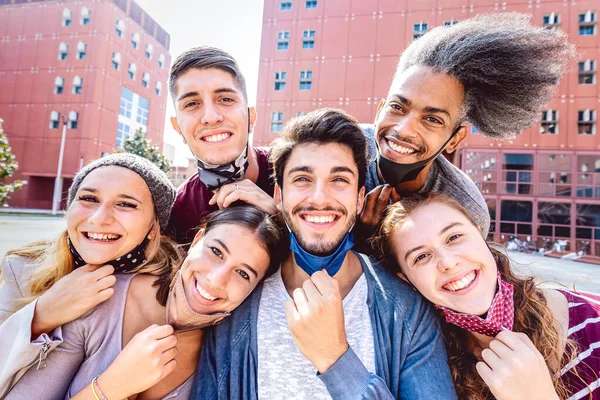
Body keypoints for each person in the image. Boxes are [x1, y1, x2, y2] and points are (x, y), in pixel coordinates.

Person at [195, 108, 457, 399]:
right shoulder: (235, 306)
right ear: (279, 196)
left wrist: (335, 359)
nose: (319, 198)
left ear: (359, 199)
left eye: (339, 180)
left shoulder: (407, 311)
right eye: (302, 179)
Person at [5, 205, 284, 399]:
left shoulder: (228, 356)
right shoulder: (104, 300)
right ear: (198, 238)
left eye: (243, 273)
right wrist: (110, 389)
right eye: (215, 251)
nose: (216, 279)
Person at [359, 13, 574, 239]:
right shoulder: (339, 146)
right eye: (397, 107)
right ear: (379, 110)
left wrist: (373, 240)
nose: (404, 129)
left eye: (432, 119)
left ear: (454, 139)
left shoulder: (465, 210)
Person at [372, 192, 600, 400]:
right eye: (421, 257)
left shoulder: (591, 324)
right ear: (406, 279)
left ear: (481, 235)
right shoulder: (425, 365)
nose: (449, 263)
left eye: (454, 237)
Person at [0, 153, 183, 398]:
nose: (99, 219)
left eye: (125, 204)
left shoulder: (169, 295)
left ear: (153, 227)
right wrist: (40, 316)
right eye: (88, 198)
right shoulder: (22, 269)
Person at [168, 46, 276, 245]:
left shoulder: (297, 175)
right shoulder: (176, 213)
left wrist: (282, 217)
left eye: (226, 99)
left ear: (251, 117)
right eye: (192, 104)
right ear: (178, 128)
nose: (210, 117)